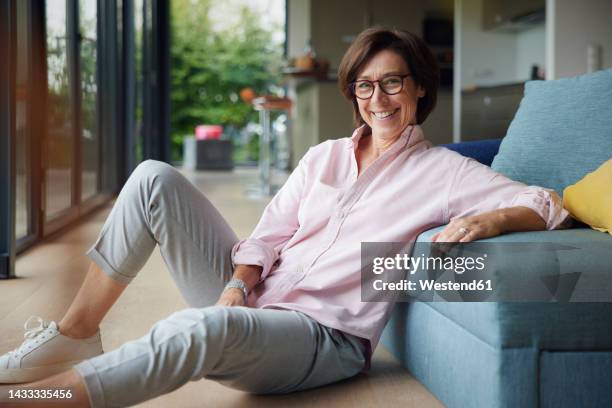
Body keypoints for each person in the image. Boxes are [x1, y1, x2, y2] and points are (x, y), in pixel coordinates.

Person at [0, 27, 569, 407]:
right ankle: (75, 334)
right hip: (256, 299)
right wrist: (237, 287)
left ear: (419, 88)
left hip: (321, 335)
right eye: (366, 85)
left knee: (200, 329)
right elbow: (267, 234)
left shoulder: (445, 172)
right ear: (354, 93)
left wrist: (494, 221)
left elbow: (550, 204)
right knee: (154, 176)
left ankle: (39, 397)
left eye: (393, 82)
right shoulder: (322, 155)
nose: (379, 98)